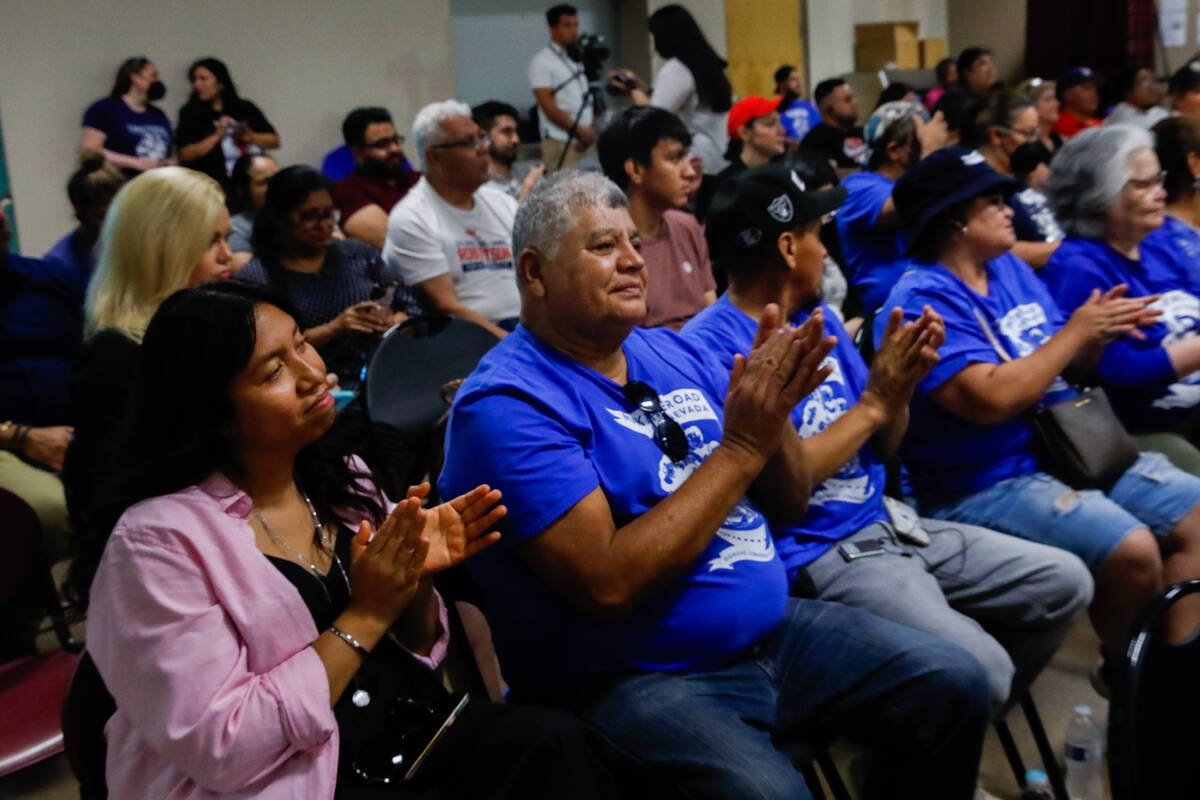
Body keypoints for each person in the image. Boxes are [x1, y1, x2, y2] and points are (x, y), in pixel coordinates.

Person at [439, 169, 991, 799]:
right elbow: (608, 584)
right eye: (602, 247)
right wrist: (742, 447)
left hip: (770, 632)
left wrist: (775, 408)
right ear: (534, 273)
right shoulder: (507, 403)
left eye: (634, 245)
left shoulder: (671, 353)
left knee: (953, 683)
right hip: (631, 676)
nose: (632, 263)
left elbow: (788, 503)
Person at [82, 279, 620, 799]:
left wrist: (412, 581)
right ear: (212, 412)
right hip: (282, 778)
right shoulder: (155, 544)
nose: (313, 374)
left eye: (301, 345)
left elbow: (419, 652)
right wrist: (366, 614)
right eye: (274, 371)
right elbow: (224, 747)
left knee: (561, 746)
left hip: (397, 737)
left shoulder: (344, 476)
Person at [684, 162, 1092, 713]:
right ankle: (931, 733)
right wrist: (874, 405)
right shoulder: (713, 348)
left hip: (890, 521)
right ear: (786, 246)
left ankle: (930, 736)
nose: (825, 251)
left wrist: (897, 389)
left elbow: (884, 447)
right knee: (984, 670)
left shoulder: (823, 320)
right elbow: (790, 490)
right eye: (814, 236)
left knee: (1064, 582)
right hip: (822, 552)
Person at [877, 146, 1200, 663]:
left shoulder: (1008, 270)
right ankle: (1136, 694)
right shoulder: (919, 302)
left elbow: (1068, 369)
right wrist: (1076, 332)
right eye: (993, 201)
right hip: (982, 482)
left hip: (1069, 449)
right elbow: (990, 400)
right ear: (955, 219)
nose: (1011, 208)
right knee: (1133, 550)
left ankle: (1177, 674)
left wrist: (1098, 331)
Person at [63, 167, 234, 585]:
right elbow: (115, 497)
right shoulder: (116, 356)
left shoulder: (207, 326)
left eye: (228, 238)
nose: (229, 255)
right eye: (212, 241)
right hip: (164, 564)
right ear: (164, 249)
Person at [1043, 124, 1200, 475]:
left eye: (1158, 180)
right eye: (1143, 185)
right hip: (1138, 428)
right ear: (1098, 196)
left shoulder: (1160, 240)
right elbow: (1120, 373)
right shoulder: (1079, 268)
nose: (1161, 193)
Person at [240, 167, 410, 389]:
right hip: (317, 384)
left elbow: (410, 306)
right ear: (279, 217)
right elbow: (266, 352)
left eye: (329, 214)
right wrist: (335, 327)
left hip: (385, 368)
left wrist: (392, 322)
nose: (324, 224)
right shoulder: (258, 276)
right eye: (309, 216)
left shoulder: (356, 253)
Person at [383, 101, 520, 338]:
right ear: (434, 157)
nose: (483, 149)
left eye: (482, 138)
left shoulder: (502, 202)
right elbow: (447, 307)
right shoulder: (412, 218)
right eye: (469, 143)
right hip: (470, 342)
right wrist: (516, 348)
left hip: (527, 327)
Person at [0, 201, 79, 568]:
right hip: (8, 445)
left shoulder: (52, 279)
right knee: (49, 509)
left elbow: (98, 356)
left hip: (78, 432)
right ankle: (21, 618)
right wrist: (21, 437)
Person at [598, 106, 715, 330]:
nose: (689, 172)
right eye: (675, 158)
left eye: (686, 156)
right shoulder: (606, 249)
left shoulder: (687, 227)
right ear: (635, 170)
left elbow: (711, 319)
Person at [836, 101, 945, 317]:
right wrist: (931, 151)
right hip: (889, 317)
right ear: (894, 151)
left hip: (931, 302)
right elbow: (910, 206)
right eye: (920, 142)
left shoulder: (925, 181)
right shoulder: (858, 187)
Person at [606, 4, 732, 180]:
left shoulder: (677, 69)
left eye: (654, 36)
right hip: (720, 156)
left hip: (698, 160)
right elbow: (672, 98)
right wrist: (640, 86)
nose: (653, 43)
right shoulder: (705, 63)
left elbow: (653, 117)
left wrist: (634, 90)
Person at [960, 92, 1062, 267]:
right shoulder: (978, 185)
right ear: (997, 136)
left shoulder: (1025, 175)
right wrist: (1068, 250)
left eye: (1037, 133)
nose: (1035, 142)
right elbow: (996, 251)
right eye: (1028, 134)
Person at [176, 58, 279, 188]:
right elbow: (184, 154)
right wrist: (217, 136)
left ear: (220, 82)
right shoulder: (189, 113)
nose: (197, 85)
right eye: (194, 80)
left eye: (203, 79)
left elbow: (274, 141)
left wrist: (251, 137)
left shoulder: (245, 107)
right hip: (210, 183)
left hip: (247, 182)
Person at [332, 107, 421, 251]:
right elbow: (397, 245)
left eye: (396, 140)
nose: (394, 149)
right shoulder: (347, 192)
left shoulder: (420, 180)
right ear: (357, 152)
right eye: (382, 144)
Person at [43, 149, 125, 295]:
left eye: (116, 214)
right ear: (80, 217)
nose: (111, 224)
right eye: (100, 216)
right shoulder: (58, 265)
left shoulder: (134, 245)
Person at [695, 95, 784, 220]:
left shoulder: (784, 174)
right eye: (770, 124)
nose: (781, 130)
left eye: (780, 123)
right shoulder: (726, 186)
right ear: (745, 133)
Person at [81, 56, 174, 175]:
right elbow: (90, 150)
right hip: (119, 184)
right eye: (153, 76)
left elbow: (167, 148)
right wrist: (136, 163)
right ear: (135, 78)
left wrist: (167, 163)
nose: (157, 81)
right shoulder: (104, 109)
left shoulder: (158, 114)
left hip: (154, 184)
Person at [529, 4, 594, 171]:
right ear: (552, 29)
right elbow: (548, 106)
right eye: (567, 25)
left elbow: (586, 99)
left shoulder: (576, 59)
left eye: (575, 24)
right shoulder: (542, 61)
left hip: (585, 140)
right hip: (560, 141)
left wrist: (588, 131)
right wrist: (580, 131)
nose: (573, 31)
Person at [471, 100, 545, 201]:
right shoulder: (479, 188)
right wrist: (527, 189)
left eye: (516, 132)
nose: (516, 139)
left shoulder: (525, 173)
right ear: (483, 138)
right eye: (507, 132)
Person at [800, 78, 866, 170]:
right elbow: (828, 177)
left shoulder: (865, 133)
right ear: (828, 109)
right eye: (847, 100)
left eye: (852, 98)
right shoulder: (815, 142)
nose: (854, 103)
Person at [226, 152, 278, 265]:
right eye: (267, 182)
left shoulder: (296, 218)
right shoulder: (234, 230)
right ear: (242, 190)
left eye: (279, 178)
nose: (279, 186)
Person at [932, 47, 998, 136]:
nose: (991, 69)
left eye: (992, 63)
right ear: (967, 72)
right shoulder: (956, 97)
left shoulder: (993, 95)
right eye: (984, 64)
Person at [1008, 141, 1064, 246]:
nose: (1054, 171)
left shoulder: (1059, 195)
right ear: (1032, 170)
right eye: (1048, 165)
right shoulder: (1017, 203)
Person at [1104, 65, 1168, 129]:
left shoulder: (1158, 112)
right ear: (1127, 91)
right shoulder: (1121, 118)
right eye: (1145, 83)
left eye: (1154, 81)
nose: (1153, 88)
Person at [775, 64, 821, 142]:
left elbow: (820, 130)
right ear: (781, 84)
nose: (799, 84)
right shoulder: (774, 110)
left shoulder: (808, 106)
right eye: (793, 79)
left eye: (799, 79)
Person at [1052, 67, 1102, 139]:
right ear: (1067, 94)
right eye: (1086, 88)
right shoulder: (1055, 125)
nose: (1094, 93)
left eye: (1095, 88)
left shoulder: (1099, 124)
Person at [1017, 77, 1062, 153]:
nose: (1057, 104)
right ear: (1030, 107)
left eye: (1055, 98)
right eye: (1048, 99)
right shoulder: (1025, 148)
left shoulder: (1058, 139)